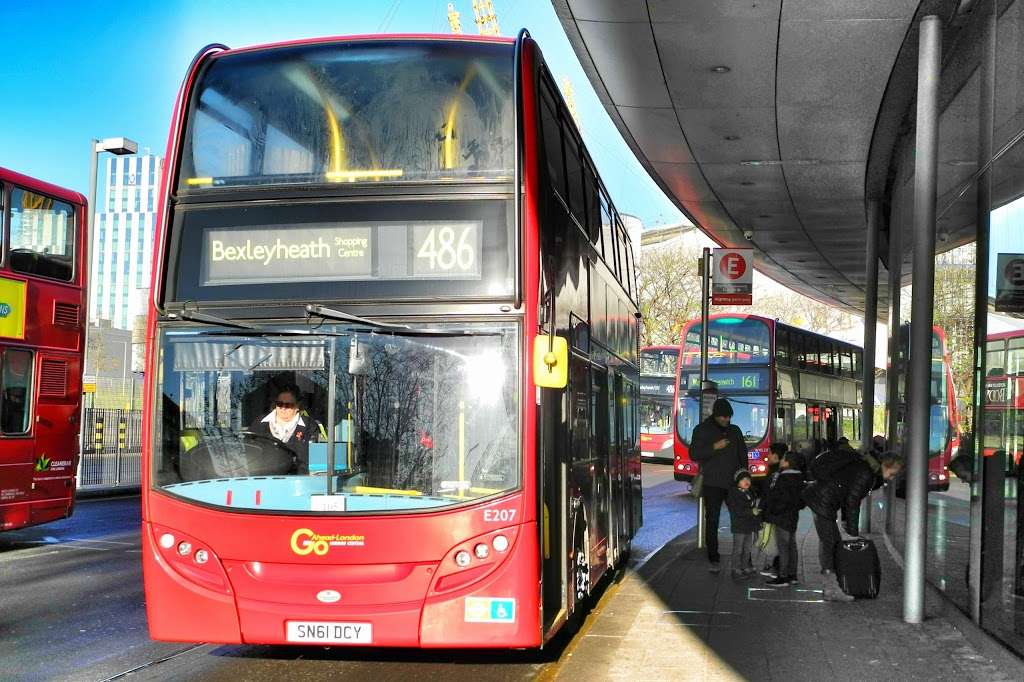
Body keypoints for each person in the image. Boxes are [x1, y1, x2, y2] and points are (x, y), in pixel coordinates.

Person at [803, 449, 904, 601]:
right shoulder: (866, 473)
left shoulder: (865, 469)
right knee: (830, 543)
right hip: (822, 501)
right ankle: (831, 589)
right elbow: (852, 502)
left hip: (823, 499)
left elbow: (848, 496)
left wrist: (847, 526)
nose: (892, 477)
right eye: (893, 472)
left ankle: (831, 587)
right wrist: (852, 533)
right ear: (886, 465)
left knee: (830, 542)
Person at [690, 397, 749, 573]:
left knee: (741, 518)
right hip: (712, 483)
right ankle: (713, 555)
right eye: (723, 417)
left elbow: (742, 455)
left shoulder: (735, 431)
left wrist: (745, 477)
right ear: (715, 415)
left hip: (733, 484)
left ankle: (744, 556)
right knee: (713, 519)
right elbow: (694, 453)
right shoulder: (702, 430)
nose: (726, 420)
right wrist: (715, 446)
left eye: (728, 417)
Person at [249, 387, 323, 474]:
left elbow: (313, 458)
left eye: (288, 405)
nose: (283, 408)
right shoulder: (259, 423)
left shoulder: (309, 426)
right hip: (264, 478)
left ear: (297, 406)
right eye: (280, 404)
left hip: (298, 480)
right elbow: (250, 452)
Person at [764, 451, 805, 587]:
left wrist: (773, 511)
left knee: (783, 547)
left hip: (781, 517)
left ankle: (783, 576)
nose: (780, 461)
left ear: (787, 462)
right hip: (793, 516)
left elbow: (778, 499)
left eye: (782, 459)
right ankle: (792, 575)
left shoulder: (783, 479)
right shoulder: (799, 478)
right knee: (792, 546)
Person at [726, 469, 761, 578]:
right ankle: (735, 568)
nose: (747, 482)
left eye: (748, 479)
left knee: (747, 549)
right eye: (743, 480)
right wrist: (752, 512)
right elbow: (737, 510)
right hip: (739, 526)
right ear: (737, 482)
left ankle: (744, 566)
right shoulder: (734, 494)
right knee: (738, 548)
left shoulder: (749, 492)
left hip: (748, 526)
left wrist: (756, 525)